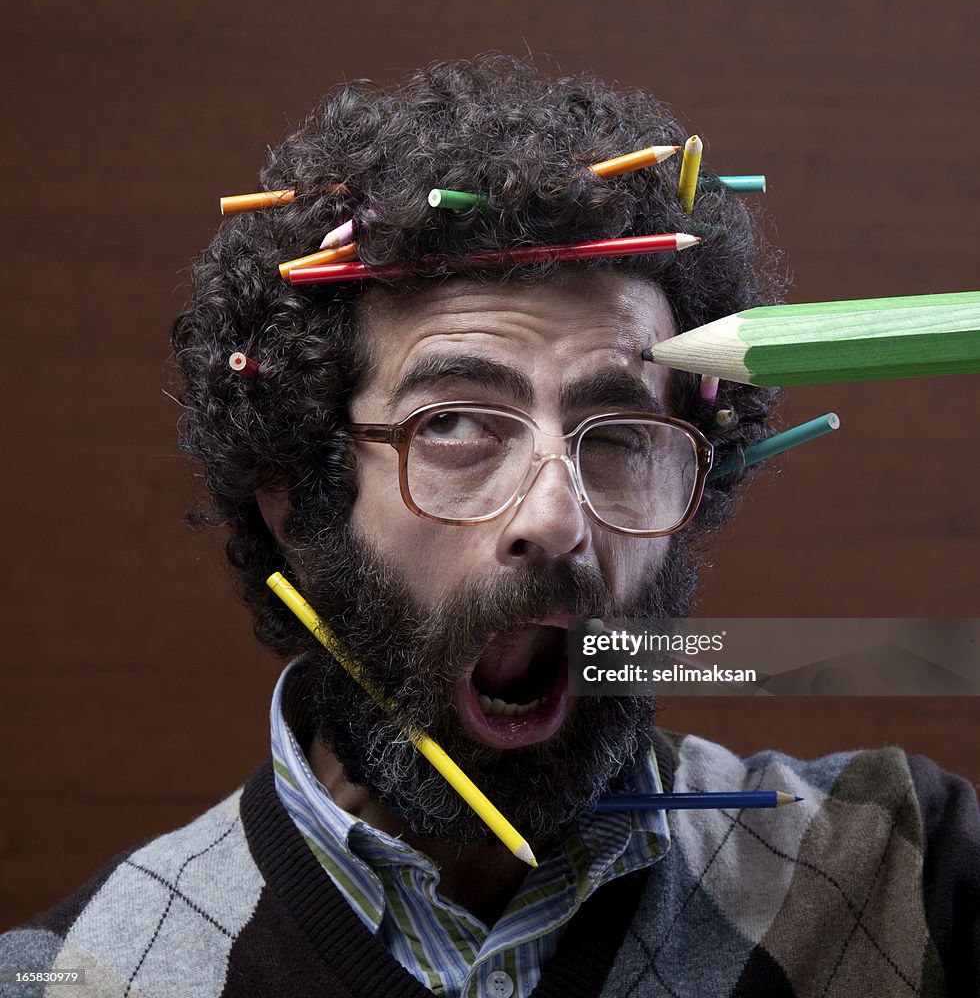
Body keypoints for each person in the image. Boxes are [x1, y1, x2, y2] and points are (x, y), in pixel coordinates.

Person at [1, 55, 977, 998]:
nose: (555, 517)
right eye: (456, 424)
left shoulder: (904, 877)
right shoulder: (78, 973)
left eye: (620, 433)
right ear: (298, 493)